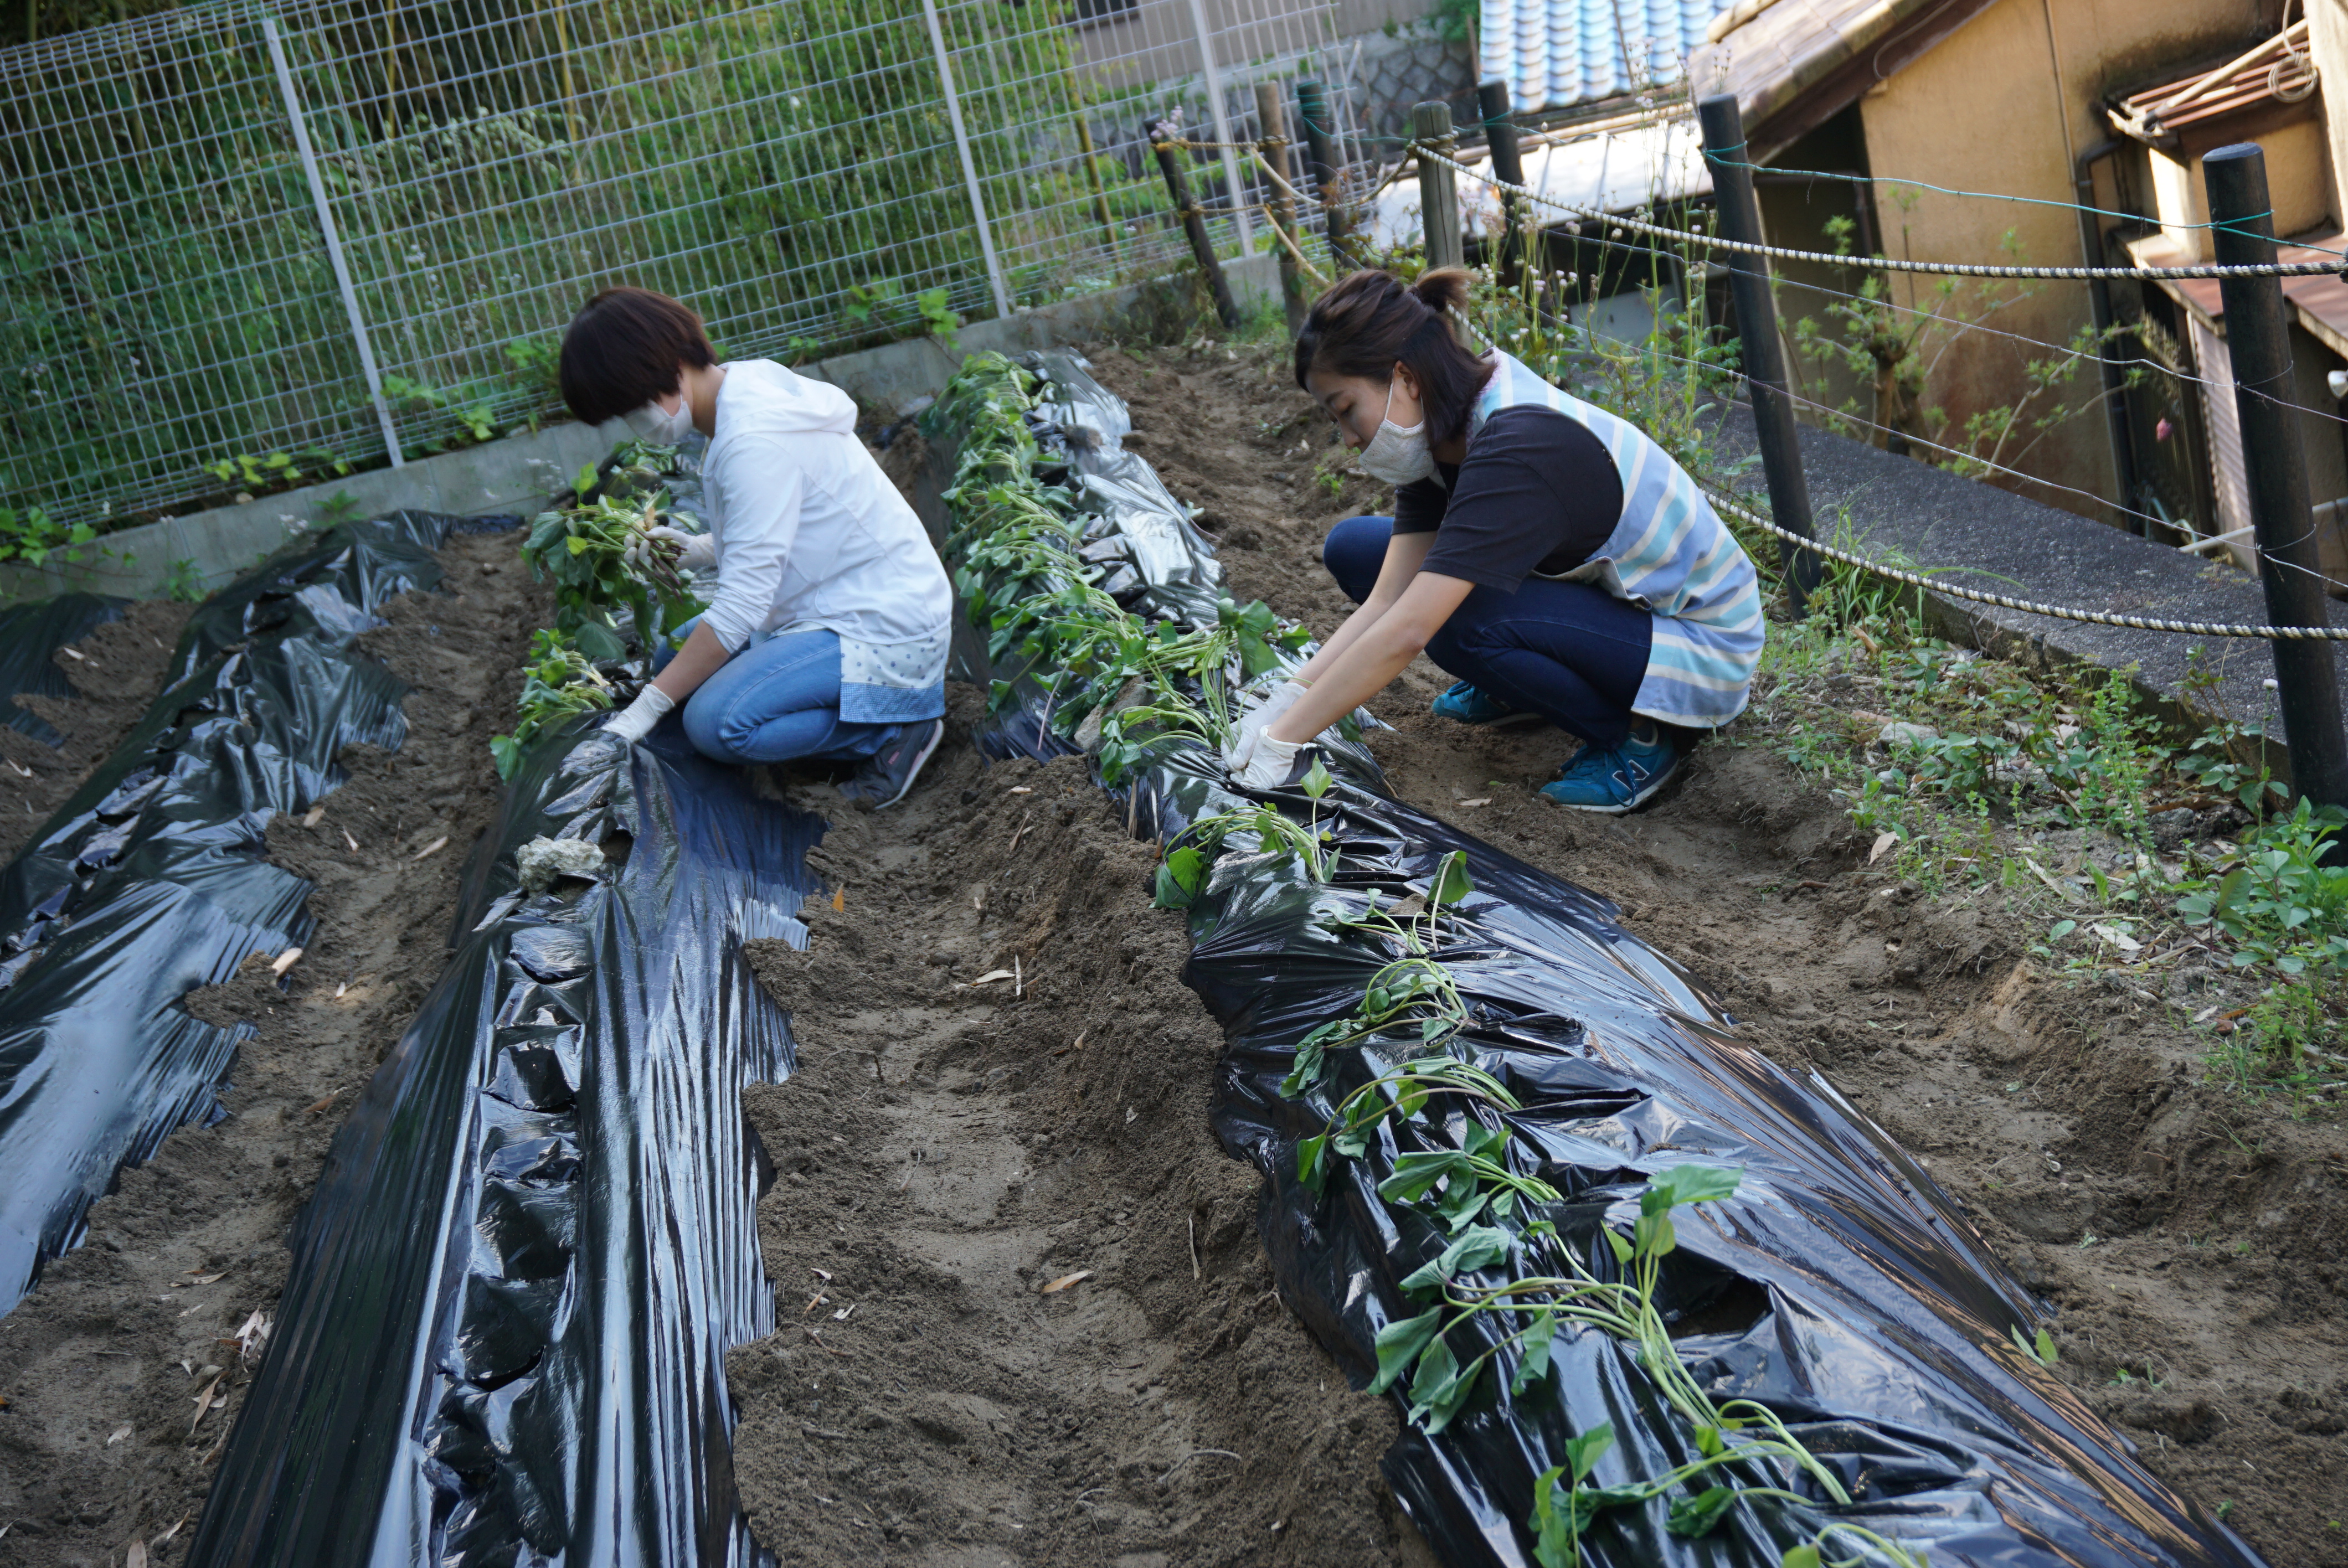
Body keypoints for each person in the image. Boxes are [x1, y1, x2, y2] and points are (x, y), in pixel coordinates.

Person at [1225, 269, 1764, 813]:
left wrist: (1284, 742)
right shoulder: (1440, 433)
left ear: (1405, 378)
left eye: (1345, 410)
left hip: (1701, 646)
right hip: (1616, 611)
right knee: (1356, 549)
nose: (1347, 439)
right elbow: (1388, 598)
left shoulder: (1516, 443)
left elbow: (1409, 628)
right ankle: (1519, 687)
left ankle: (1632, 740)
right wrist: (1287, 699)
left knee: (1458, 622)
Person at [556, 287, 952, 809]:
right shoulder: (739, 390)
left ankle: (895, 731)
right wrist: (698, 549)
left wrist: (645, 709)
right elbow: (783, 521)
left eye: (631, 408)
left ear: (670, 369)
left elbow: (740, 606)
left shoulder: (752, 440)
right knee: (673, 655)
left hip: (878, 620)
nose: (635, 423)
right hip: (829, 597)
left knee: (715, 723)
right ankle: (857, 713)